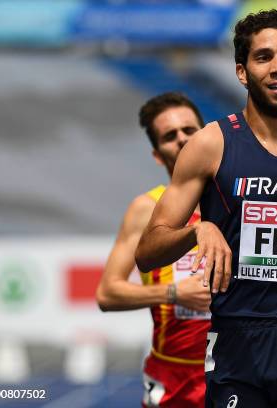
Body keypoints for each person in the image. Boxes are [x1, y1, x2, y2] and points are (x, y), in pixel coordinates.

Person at [135, 10, 277, 408]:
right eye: (264, 57)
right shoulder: (210, 146)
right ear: (242, 72)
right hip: (238, 347)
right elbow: (146, 252)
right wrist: (197, 231)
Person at [96, 92, 211, 408]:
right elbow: (107, 294)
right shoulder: (146, 209)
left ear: (207, 136)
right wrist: (175, 293)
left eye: (190, 130)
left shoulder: (241, 199)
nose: (182, 139)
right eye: (170, 136)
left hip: (242, 366)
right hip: (176, 375)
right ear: (158, 155)